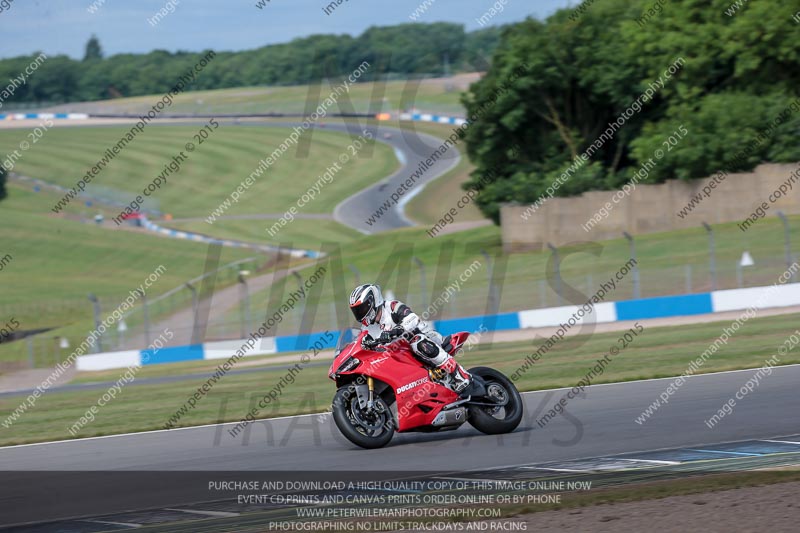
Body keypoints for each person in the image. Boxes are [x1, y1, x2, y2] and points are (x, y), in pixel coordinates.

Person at [348, 283, 472, 393]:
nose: (360, 313)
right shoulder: (367, 328)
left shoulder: (392, 307)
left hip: (428, 339)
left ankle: (459, 374)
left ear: (373, 301)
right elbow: (362, 341)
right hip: (401, 355)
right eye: (356, 310)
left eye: (362, 308)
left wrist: (396, 330)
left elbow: (412, 319)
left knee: (417, 341)